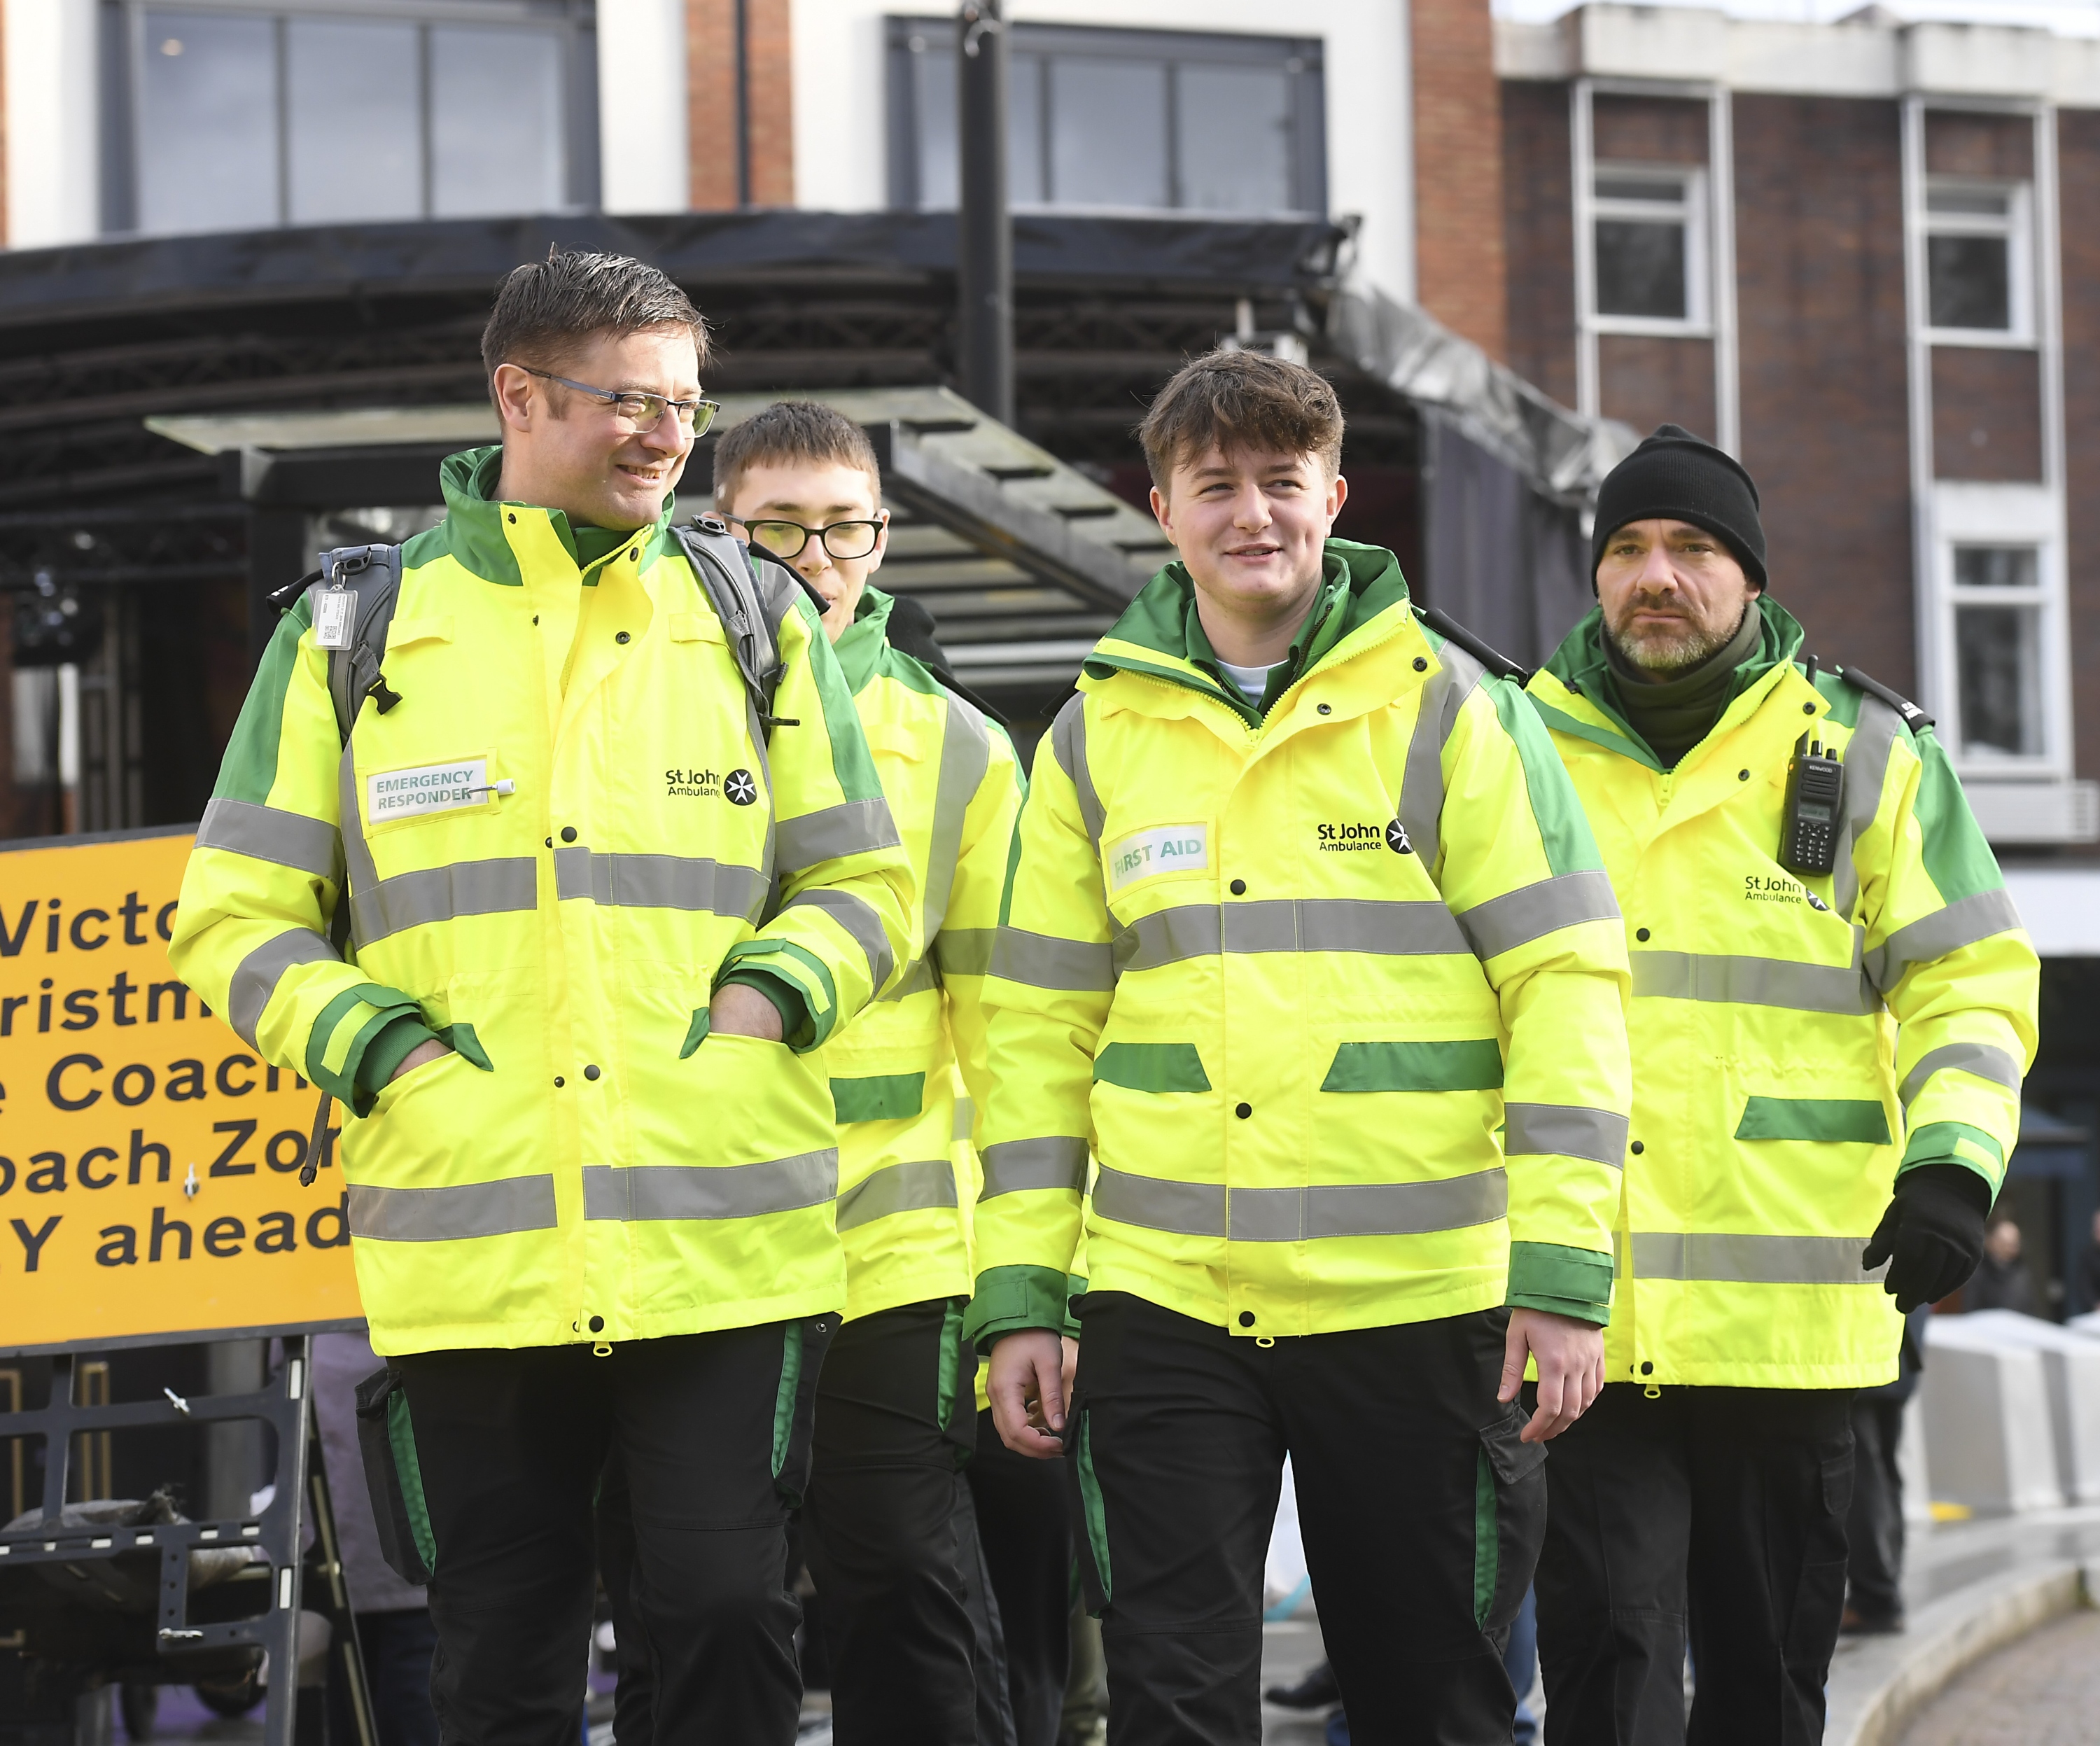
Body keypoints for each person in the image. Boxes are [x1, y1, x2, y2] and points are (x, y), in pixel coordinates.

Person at [171, 250, 915, 1746]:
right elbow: (232, 915)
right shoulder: (346, 636)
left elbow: (867, 886)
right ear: (519, 394)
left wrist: (770, 997)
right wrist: (381, 1049)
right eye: (630, 403)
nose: (666, 438)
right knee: (500, 1654)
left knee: (719, 1611)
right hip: (473, 1235)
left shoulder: (752, 617)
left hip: (722, 1234)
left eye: (684, 410)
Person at [968, 347, 1635, 1745]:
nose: (1253, 513)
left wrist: (1565, 1270)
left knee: (1433, 1701)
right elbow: (1034, 1029)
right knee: (1171, 1700)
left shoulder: (1459, 707)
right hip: (1164, 1305)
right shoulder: (1094, 736)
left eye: (1283, 481)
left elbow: (1568, 985)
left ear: (1336, 496)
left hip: (1415, 1300)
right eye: (1218, 484)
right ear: (1163, 506)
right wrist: (1023, 1287)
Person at [1522, 424, 2040, 1744]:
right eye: (1629, 548)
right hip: (1586, 1315)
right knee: (1607, 1672)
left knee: (1764, 1687)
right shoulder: (1515, 744)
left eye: (1694, 547)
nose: (1658, 574)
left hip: (1792, 1321)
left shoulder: (1869, 751)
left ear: (1753, 577)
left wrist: (1952, 1162)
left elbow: (1968, 978)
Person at [713, 402, 1028, 1743]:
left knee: (905, 1583)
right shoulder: (640, 715)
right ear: (718, 532)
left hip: (893, 1249)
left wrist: (1028, 1267)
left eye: (843, 526)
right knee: (710, 1607)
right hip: (695, 1235)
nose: (812, 557)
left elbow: (1016, 1026)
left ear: (881, 540)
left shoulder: (960, 746)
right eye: (775, 527)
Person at [1843, 1304, 1931, 1635]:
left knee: (1861, 1476)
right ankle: (1883, 1589)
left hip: (1861, 1349)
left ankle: (1875, 1599)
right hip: (1897, 1348)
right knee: (1883, 1471)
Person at [1965, 1216, 2037, 1314]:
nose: (2010, 1249)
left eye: (2013, 1244)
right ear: (1992, 1242)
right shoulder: (1979, 1273)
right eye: (2005, 1244)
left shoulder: (2022, 1274)